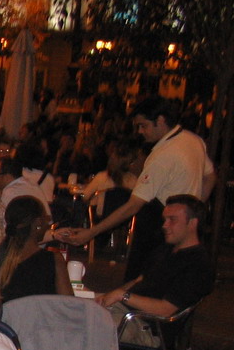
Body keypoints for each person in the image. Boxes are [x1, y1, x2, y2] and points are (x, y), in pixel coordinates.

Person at [58, 97, 215, 281]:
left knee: (144, 280)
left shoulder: (163, 155)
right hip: (185, 223)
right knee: (175, 276)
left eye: (143, 126)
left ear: (161, 120)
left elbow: (133, 205)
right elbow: (211, 177)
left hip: (160, 226)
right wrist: (193, 209)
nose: (140, 131)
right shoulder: (193, 140)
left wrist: (92, 232)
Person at [96, 194, 214, 350]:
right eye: (165, 219)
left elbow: (166, 310)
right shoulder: (167, 250)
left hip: (150, 327)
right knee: (79, 308)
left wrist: (122, 296)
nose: (165, 225)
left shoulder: (197, 264)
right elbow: (141, 279)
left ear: (192, 223)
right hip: (130, 313)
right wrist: (112, 294)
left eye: (172, 220)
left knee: (87, 323)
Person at [0, 196, 72, 302]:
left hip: (6, 318)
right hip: (40, 318)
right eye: (46, 219)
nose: (47, 224)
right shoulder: (52, 260)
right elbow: (68, 304)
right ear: (38, 223)